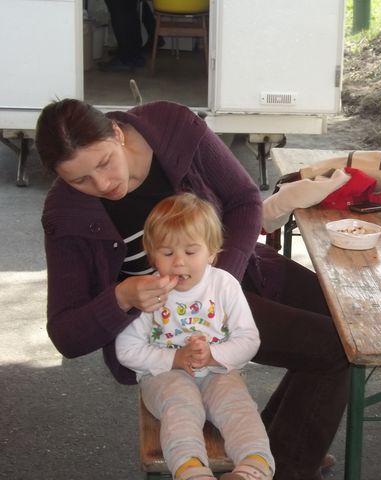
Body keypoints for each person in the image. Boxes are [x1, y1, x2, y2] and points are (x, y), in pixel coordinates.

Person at [35, 98, 349, 480]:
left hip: (238, 269)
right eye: (79, 180)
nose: (102, 185)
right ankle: (288, 465)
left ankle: (283, 446)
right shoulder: (65, 214)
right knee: (338, 348)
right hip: (178, 321)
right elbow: (66, 335)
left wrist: (221, 280)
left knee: (347, 324)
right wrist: (120, 298)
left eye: (104, 163)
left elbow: (244, 200)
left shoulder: (172, 127)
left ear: (116, 132)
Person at [116, 192, 274, 480]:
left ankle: (253, 466)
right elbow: (126, 350)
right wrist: (175, 358)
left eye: (190, 252)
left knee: (237, 405)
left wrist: (213, 355)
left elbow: (249, 339)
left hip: (219, 371)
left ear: (211, 252)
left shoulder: (224, 285)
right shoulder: (148, 292)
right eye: (167, 253)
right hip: (164, 376)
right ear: (152, 255)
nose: (179, 263)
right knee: (180, 405)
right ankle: (191, 470)